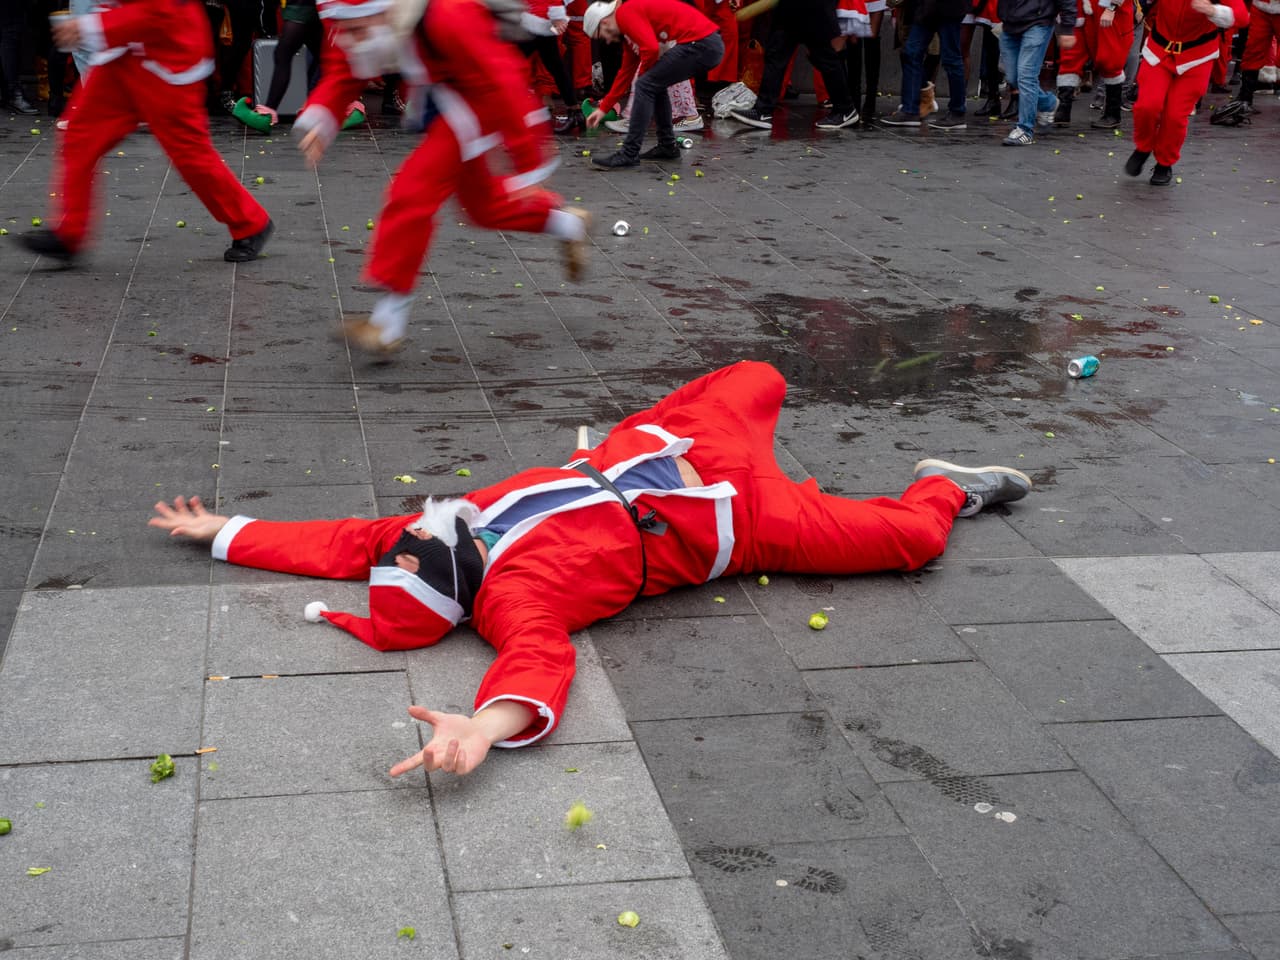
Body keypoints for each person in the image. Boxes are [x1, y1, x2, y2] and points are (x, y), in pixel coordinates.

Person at [149, 361, 1034, 778]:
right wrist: (487, 729)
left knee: (761, 373)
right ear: (457, 578)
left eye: (413, 529)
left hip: (675, 444)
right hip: (750, 522)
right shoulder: (511, 595)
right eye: (424, 539)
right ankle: (946, 488)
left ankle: (752, 451)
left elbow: (340, 542)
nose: (419, 522)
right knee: (910, 542)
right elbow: (537, 660)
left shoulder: (442, 528)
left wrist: (227, 528)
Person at [290, 0, 591, 355]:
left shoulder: (448, 14)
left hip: (479, 101)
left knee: (411, 193)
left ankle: (387, 325)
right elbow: (345, 65)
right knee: (483, 209)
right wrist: (321, 117)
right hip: (443, 101)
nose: (350, 38)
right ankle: (567, 224)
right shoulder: (361, 20)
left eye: (356, 29)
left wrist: (529, 162)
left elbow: (504, 79)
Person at [22, 0, 274, 265]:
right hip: (125, 52)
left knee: (191, 156)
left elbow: (160, 8)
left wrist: (89, 26)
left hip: (167, 56)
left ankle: (251, 223)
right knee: (80, 135)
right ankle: (68, 234)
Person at [583, 0, 724, 167]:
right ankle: (667, 146)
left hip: (701, 43)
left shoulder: (625, 14)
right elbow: (625, 72)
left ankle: (629, 153)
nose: (607, 41)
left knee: (646, 84)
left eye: (602, 35)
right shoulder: (627, 31)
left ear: (604, 22)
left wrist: (645, 79)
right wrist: (603, 108)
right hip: (705, 44)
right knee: (653, 84)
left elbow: (650, 49)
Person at [1125, 0, 1248, 182]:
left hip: (1197, 58)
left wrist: (1212, 10)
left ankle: (1164, 163)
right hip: (1159, 51)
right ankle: (1143, 147)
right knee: (1147, 106)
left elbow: (1242, 17)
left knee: (1175, 115)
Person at [727, 0, 861, 130]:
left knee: (822, 56)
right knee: (778, 53)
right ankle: (763, 110)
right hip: (796, 8)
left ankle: (845, 109)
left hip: (809, 7)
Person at [997, 0, 1077, 144]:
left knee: (1026, 76)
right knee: (1014, 78)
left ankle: (1025, 129)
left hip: (1038, 22)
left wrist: (1067, 28)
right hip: (1010, 23)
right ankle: (1048, 103)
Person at [879, 0, 969, 128]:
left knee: (951, 59)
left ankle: (957, 112)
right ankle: (910, 110)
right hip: (927, 9)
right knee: (911, 52)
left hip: (948, 9)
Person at [1053, 0, 1135, 127]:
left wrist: (1111, 7)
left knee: (1110, 58)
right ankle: (1063, 108)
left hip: (1108, 8)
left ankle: (1112, 113)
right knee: (1070, 55)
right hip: (1081, 7)